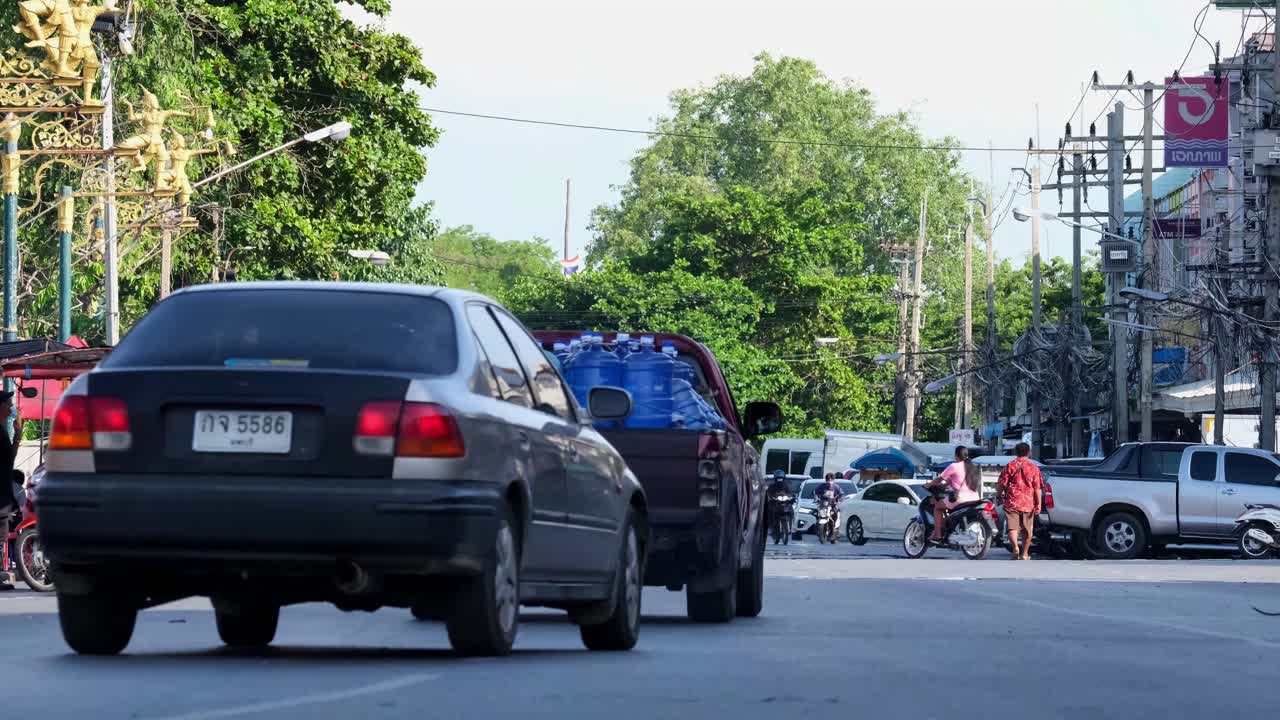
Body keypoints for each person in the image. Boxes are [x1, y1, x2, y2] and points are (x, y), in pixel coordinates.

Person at [925, 446, 982, 542]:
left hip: (961, 498)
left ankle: (937, 535)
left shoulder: (954, 466)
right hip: (975, 498)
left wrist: (929, 484)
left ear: (956, 455)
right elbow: (949, 481)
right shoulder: (973, 467)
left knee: (938, 507)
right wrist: (945, 485)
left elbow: (940, 479)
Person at [997, 442, 1043, 560]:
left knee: (1012, 527)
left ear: (1016, 452)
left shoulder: (1010, 465)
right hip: (1028, 502)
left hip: (1012, 500)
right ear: (1029, 452)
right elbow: (1037, 488)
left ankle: (1015, 548)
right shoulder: (1034, 467)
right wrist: (1039, 503)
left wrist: (998, 495)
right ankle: (1025, 553)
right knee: (1027, 529)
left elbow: (1002, 484)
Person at [0, 390, 24, 591]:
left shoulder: (2, 431)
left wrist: (17, 436)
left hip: (4, 493)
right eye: (8, 404)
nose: (11, 407)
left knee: (2, 533)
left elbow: (9, 461)